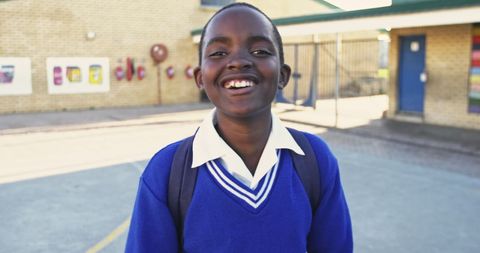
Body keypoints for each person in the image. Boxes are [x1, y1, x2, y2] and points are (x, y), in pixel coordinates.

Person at [125, 3, 352, 252]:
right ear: (200, 77)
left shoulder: (314, 159)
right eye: (219, 53)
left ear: (283, 76)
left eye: (260, 51)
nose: (238, 62)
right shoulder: (167, 171)